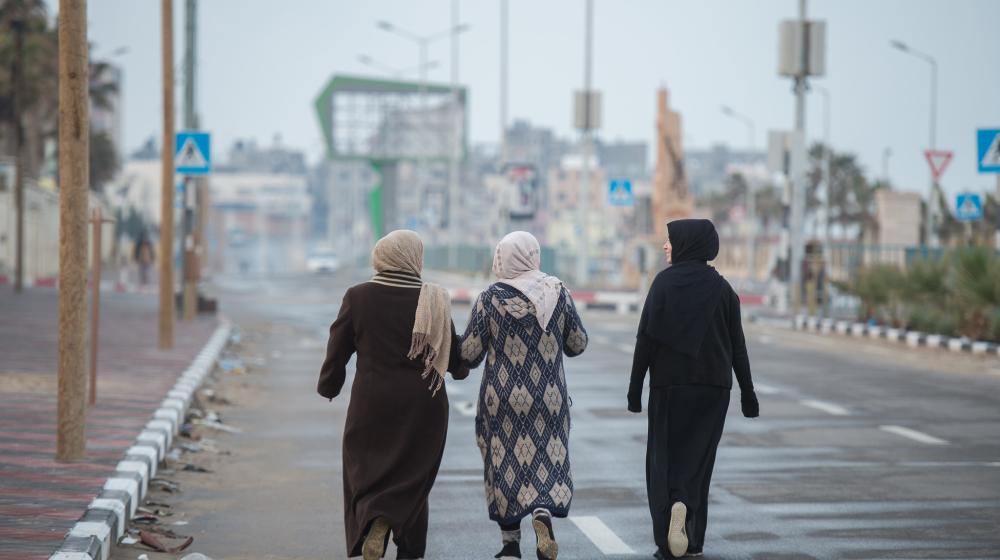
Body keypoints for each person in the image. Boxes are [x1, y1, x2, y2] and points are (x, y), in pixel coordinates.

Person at [317, 229, 469, 560]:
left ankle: (376, 519)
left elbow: (337, 349)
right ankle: (409, 549)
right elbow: (456, 361)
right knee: (413, 481)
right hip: (424, 407)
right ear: (415, 258)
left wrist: (329, 385)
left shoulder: (357, 296)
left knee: (367, 471)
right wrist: (461, 365)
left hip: (372, 404)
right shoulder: (434, 298)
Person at [627, 219, 759, 559]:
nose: (666, 246)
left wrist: (634, 389)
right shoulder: (724, 290)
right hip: (714, 388)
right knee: (698, 463)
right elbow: (738, 347)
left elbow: (646, 340)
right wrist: (748, 393)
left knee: (663, 462)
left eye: (670, 241)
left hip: (669, 386)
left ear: (687, 243)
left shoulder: (663, 285)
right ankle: (693, 537)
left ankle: (668, 537)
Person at [460, 231, 588, 560]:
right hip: (549, 397)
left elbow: (470, 353)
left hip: (502, 399)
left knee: (504, 463)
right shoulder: (556, 292)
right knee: (549, 457)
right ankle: (542, 512)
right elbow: (578, 343)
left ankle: (510, 543)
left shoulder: (490, 298)